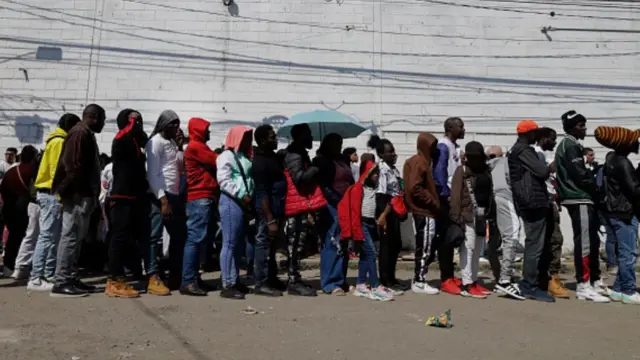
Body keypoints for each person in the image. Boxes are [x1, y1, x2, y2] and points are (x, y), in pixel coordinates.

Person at [50, 104, 105, 298]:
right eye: (103, 120)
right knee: (70, 237)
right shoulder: (79, 133)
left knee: (76, 238)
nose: (104, 124)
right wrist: (70, 192)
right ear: (94, 117)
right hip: (77, 196)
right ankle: (62, 281)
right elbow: (73, 167)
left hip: (83, 195)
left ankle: (71, 277)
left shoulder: (85, 133)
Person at [555, 110, 608, 302]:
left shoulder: (574, 145)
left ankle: (593, 281)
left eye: (584, 124)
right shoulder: (569, 146)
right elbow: (579, 174)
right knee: (585, 242)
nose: (585, 128)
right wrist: (597, 190)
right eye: (580, 125)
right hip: (578, 198)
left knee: (592, 241)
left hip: (583, 199)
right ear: (570, 128)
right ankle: (583, 285)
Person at [27, 114, 81, 291]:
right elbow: (57, 171)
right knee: (47, 236)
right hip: (51, 194)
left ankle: (48, 274)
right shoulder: (59, 142)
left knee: (53, 237)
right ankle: (36, 277)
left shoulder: (56, 140)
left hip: (50, 193)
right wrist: (60, 195)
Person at [103, 109, 151, 297]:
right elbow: (126, 131)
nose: (138, 123)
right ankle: (114, 280)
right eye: (134, 119)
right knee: (119, 238)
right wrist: (131, 121)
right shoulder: (121, 139)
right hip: (121, 197)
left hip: (135, 197)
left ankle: (126, 274)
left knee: (130, 239)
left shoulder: (136, 142)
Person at [508, 120, 555, 302]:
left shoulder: (516, 149)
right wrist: (555, 164)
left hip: (528, 200)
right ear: (529, 134)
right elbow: (542, 172)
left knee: (533, 243)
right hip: (533, 202)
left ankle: (530, 284)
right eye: (535, 133)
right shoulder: (524, 150)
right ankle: (529, 286)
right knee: (534, 245)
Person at [594, 126, 640, 304]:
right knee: (628, 253)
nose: (637, 144)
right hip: (624, 212)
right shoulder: (622, 162)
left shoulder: (612, 159)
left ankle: (619, 289)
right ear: (626, 143)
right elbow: (634, 190)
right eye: (634, 141)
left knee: (624, 251)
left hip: (616, 211)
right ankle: (628, 290)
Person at [338, 160, 393, 301]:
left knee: (365, 256)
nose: (376, 175)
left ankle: (361, 285)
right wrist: (355, 233)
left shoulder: (375, 189)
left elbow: (388, 201)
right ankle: (375, 286)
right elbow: (354, 211)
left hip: (371, 224)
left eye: (377, 173)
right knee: (371, 254)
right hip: (361, 225)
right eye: (373, 173)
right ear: (367, 174)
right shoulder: (358, 189)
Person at [146, 110, 187, 291]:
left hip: (174, 194)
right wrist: (163, 199)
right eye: (173, 124)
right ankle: (153, 274)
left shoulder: (171, 143)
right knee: (154, 237)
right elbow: (152, 173)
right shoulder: (155, 142)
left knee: (179, 236)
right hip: (160, 196)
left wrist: (179, 148)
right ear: (164, 125)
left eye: (178, 124)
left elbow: (177, 167)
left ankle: (175, 275)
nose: (177, 128)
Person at [450, 141, 494, 298]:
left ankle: (474, 281)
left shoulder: (486, 170)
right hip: (467, 216)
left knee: (477, 251)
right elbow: (455, 196)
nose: (474, 160)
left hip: (482, 216)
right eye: (471, 157)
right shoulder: (461, 171)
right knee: (467, 250)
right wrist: (457, 218)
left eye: (477, 157)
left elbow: (490, 193)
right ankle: (467, 284)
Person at [281, 124, 321, 297]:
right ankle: (292, 281)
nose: (311, 138)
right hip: (294, 206)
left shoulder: (300, 153)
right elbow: (299, 178)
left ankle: (295, 278)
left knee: (299, 244)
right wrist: (315, 168)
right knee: (294, 244)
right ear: (299, 136)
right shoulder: (295, 154)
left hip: (299, 205)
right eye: (308, 134)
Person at [181, 117, 219, 296]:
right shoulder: (196, 147)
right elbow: (216, 160)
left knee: (200, 239)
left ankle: (194, 278)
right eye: (207, 129)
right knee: (195, 238)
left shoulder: (199, 146)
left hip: (204, 196)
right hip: (200, 196)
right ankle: (188, 280)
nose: (209, 132)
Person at [216, 126, 254, 299]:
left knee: (238, 244)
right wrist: (240, 194)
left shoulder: (244, 156)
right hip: (231, 201)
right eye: (246, 137)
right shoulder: (226, 156)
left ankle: (234, 278)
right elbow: (223, 179)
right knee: (229, 243)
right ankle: (227, 283)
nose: (249, 141)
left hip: (243, 203)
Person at [314, 133, 354, 295]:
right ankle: (329, 282)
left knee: (343, 243)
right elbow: (323, 186)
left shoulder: (342, 160)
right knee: (332, 243)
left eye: (340, 142)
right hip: (331, 206)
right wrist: (338, 201)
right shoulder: (322, 161)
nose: (338, 145)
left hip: (346, 205)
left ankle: (340, 279)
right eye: (335, 143)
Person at [533, 128, 570, 298]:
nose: (554, 142)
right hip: (543, 202)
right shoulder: (536, 154)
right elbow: (543, 174)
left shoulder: (543, 154)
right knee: (553, 240)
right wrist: (557, 163)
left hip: (552, 202)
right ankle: (548, 279)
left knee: (554, 241)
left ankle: (550, 278)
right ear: (543, 138)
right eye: (552, 139)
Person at [368, 134, 407, 295]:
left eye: (393, 151)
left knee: (396, 245)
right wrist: (383, 215)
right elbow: (381, 195)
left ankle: (392, 277)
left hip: (394, 210)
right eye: (389, 152)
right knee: (387, 247)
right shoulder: (382, 170)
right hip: (386, 211)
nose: (393, 154)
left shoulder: (393, 169)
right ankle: (386, 280)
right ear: (381, 154)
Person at [252, 124, 287, 296]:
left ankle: (271, 278)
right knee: (263, 246)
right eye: (272, 137)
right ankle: (261, 283)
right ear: (262, 140)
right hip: (267, 211)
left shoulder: (272, 157)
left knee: (272, 248)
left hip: (277, 209)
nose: (276, 140)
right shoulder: (259, 162)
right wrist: (270, 219)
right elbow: (261, 193)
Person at [403, 132, 440, 295]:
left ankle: (420, 278)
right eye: (432, 146)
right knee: (425, 247)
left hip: (424, 211)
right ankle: (419, 280)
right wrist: (433, 202)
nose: (435, 150)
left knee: (426, 247)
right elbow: (414, 188)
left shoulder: (418, 161)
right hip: (425, 211)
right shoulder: (419, 162)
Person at [485, 146, 523, 299]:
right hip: (505, 198)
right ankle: (505, 279)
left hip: (493, 202)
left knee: (494, 241)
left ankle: (500, 277)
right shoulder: (505, 162)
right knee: (512, 236)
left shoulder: (487, 168)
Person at [433, 117, 465, 295]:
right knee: (445, 239)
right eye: (460, 126)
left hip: (455, 198)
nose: (463, 129)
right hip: (446, 200)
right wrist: (446, 197)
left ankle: (450, 275)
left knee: (452, 238)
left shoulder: (456, 148)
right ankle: (445, 279)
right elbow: (440, 174)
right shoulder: (443, 146)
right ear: (449, 128)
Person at [0, 146, 38, 278]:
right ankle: (19, 267)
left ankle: (8, 266)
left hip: (8, 207)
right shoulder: (31, 170)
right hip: (22, 208)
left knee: (12, 237)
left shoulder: (11, 171)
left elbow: (3, 189)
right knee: (25, 237)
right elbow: (34, 192)